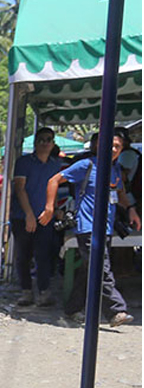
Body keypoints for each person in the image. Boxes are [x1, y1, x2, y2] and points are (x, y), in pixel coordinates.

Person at [47, 133, 141, 325]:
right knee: (102, 268)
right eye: (110, 145)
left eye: (118, 147)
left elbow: (120, 192)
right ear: (99, 145)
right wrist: (50, 208)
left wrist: (131, 210)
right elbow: (54, 180)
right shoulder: (86, 165)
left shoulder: (115, 169)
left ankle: (72, 309)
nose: (114, 149)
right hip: (87, 227)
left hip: (105, 228)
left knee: (88, 270)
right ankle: (116, 310)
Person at [11, 127, 63, 307]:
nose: (45, 143)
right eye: (41, 139)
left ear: (53, 143)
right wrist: (29, 215)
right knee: (23, 256)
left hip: (45, 218)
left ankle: (43, 292)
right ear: (35, 143)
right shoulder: (24, 162)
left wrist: (54, 209)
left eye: (49, 139)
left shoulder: (55, 165)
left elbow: (53, 190)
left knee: (44, 256)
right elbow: (20, 188)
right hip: (22, 216)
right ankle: (26, 292)